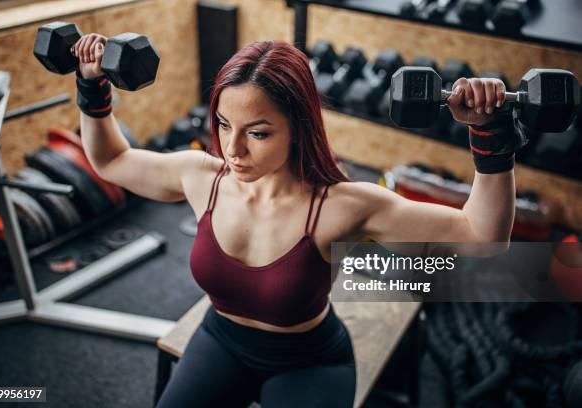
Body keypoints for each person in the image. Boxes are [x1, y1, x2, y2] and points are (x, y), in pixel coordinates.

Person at [73, 34, 520, 407]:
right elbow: (112, 160)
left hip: (310, 361)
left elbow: (481, 237)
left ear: (299, 126)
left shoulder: (341, 206)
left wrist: (489, 135)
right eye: (225, 125)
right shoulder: (201, 178)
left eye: (259, 133)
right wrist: (92, 86)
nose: (233, 150)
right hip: (221, 339)